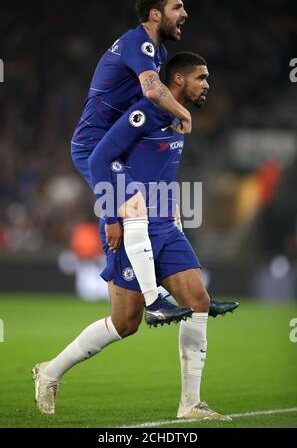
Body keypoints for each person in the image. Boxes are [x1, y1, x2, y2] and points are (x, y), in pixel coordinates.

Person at [33, 52, 234, 420]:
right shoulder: (144, 113)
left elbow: (158, 170)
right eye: (201, 78)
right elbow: (98, 161)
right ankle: (49, 371)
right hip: (130, 224)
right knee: (125, 323)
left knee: (198, 301)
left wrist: (173, 212)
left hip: (164, 223)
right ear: (177, 81)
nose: (207, 85)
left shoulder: (176, 117)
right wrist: (111, 215)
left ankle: (190, 404)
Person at [71, 0, 237, 325]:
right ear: (154, 14)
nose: (184, 14)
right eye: (177, 7)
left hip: (119, 144)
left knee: (152, 204)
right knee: (135, 206)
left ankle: (182, 291)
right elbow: (151, 90)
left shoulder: (159, 53)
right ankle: (153, 300)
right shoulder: (138, 43)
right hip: (94, 146)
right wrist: (183, 112)